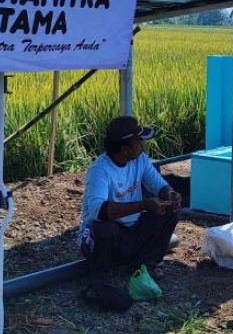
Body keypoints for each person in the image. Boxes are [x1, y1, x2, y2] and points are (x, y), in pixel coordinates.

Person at [78, 116, 182, 298]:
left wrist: (170, 194)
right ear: (125, 149)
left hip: (131, 231)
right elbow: (98, 210)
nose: (142, 145)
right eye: (138, 141)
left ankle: (146, 263)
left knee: (170, 210)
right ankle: (101, 275)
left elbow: (158, 185)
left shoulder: (139, 159)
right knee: (104, 228)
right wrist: (143, 205)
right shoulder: (100, 170)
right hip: (105, 237)